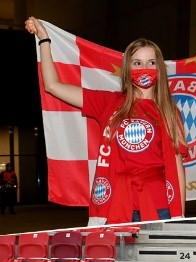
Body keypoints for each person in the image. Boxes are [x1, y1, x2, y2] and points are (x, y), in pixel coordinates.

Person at [25, 17, 187, 225]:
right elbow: (53, 86)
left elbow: (177, 166)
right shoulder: (108, 103)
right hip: (117, 203)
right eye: (137, 63)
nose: (144, 68)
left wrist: (180, 217)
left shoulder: (169, 111)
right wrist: (44, 40)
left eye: (151, 62)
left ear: (159, 68)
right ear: (128, 68)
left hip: (159, 205)